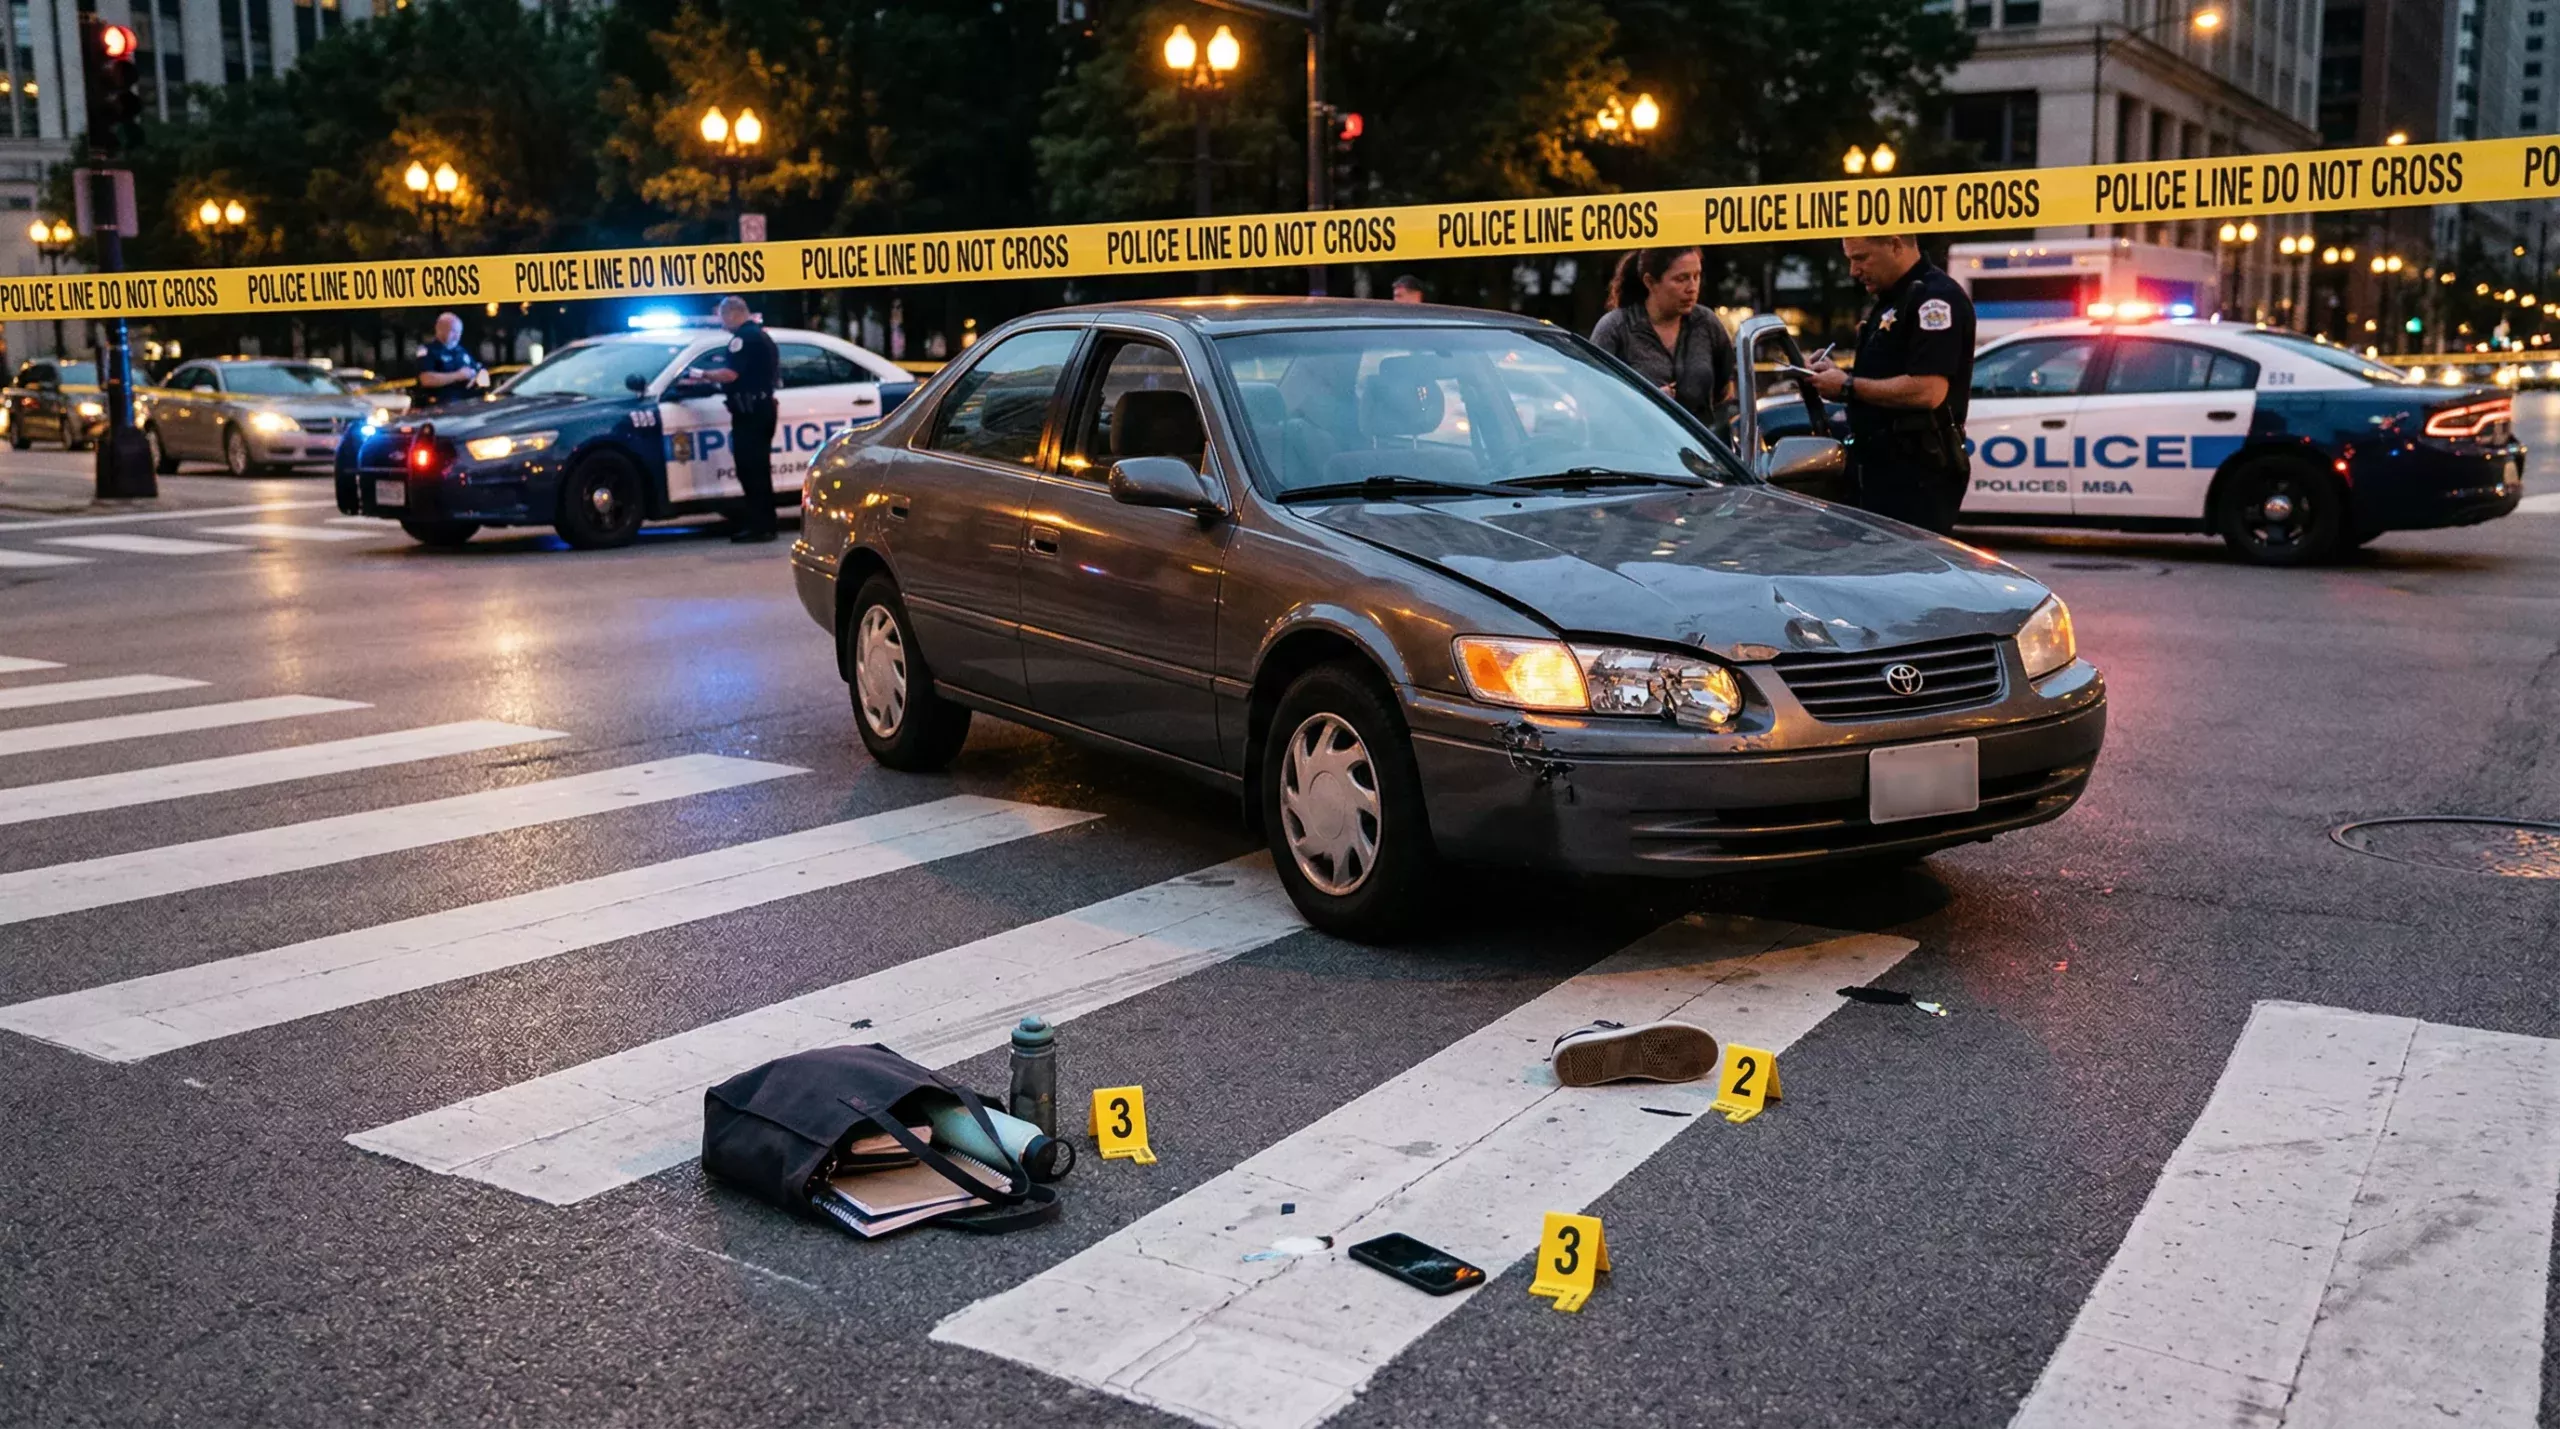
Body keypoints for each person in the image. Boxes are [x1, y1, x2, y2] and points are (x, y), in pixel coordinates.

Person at [1805, 235, 1976, 535]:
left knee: (1905, 574)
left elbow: (1928, 391)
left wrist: (1847, 387)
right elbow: (1884, 373)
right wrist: (1837, 375)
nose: (1853, 271)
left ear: (1896, 245)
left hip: (1916, 475)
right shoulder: (1896, 297)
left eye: (1861, 258)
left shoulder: (1934, 300)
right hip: (1883, 470)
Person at [1587, 246, 1734, 428]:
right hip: (1639, 446)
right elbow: (1595, 399)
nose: (1692, 288)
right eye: (1681, 279)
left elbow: (1725, 388)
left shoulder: (1706, 323)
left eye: (1696, 276)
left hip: (1700, 448)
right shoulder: (1615, 328)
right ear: (1650, 282)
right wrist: (1647, 402)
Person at [699, 296, 782, 543]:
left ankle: (759, 526)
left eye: (722, 318)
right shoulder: (762, 336)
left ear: (733, 314)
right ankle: (766, 523)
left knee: (750, 469)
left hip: (750, 413)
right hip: (762, 407)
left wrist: (702, 374)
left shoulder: (743, 339)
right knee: (759, 469)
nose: (722, 323)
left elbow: (730, 374)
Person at [410, 312, 485, 409]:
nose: (457, 336)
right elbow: (426, 379)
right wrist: (458, 375)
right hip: (437, 407)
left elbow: (477, 371)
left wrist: (477, 376)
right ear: (440, 329)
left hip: (465, 405)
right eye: (453, 331)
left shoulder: (461, 351)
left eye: (459, 332)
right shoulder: (427, 351)